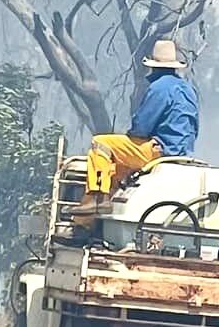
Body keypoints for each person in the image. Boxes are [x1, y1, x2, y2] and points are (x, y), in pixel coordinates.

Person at [74, 39, 200, 216]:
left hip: (159, 150)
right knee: (116, 170)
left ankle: (97, 198)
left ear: (153, 67)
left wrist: (131, 135)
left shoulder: (159, 88)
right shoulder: (188, 90)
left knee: (101, 143)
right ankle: (85, 223)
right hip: (181, 153)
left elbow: (141, 127)